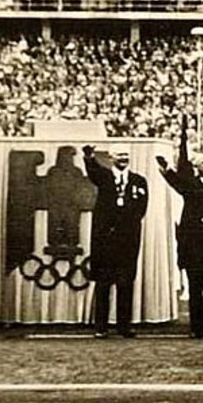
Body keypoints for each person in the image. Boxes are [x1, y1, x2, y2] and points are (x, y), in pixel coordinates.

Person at [155, 117, 203, 338]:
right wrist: (166, 170)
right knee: (195, 287)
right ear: (197, 167)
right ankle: (196, 327)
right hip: (194, 247)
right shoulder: (190, 187)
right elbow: (176, 181)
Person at [81, 143, 150, 338]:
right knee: (103, 284)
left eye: (126, 155)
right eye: (119, 155)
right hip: (105, 241)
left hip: (127, 241)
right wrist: (89, 156)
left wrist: (124, 223)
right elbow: (93, 171)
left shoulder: (139, 181)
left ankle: (124, 326)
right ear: (111, 158)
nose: (123, 159)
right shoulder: (104, 177)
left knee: (125, 283)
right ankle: (101, 326)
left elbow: (141, 210)